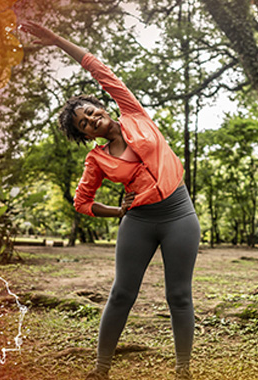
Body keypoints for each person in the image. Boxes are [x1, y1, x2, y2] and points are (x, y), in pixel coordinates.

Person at [20, 22, 200, 380]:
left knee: (178, 296)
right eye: (83, 124)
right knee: (121, 295)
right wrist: (117, 211)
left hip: (180, 214)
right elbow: (82, 202)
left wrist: (56, 40)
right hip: (139, 223)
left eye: (88, 111)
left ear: (100, 105)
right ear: (84, 135)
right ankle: (101, 370)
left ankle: (183, 371)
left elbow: (98, 68)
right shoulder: (97, 159)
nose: (89, 119)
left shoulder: (133, 112)